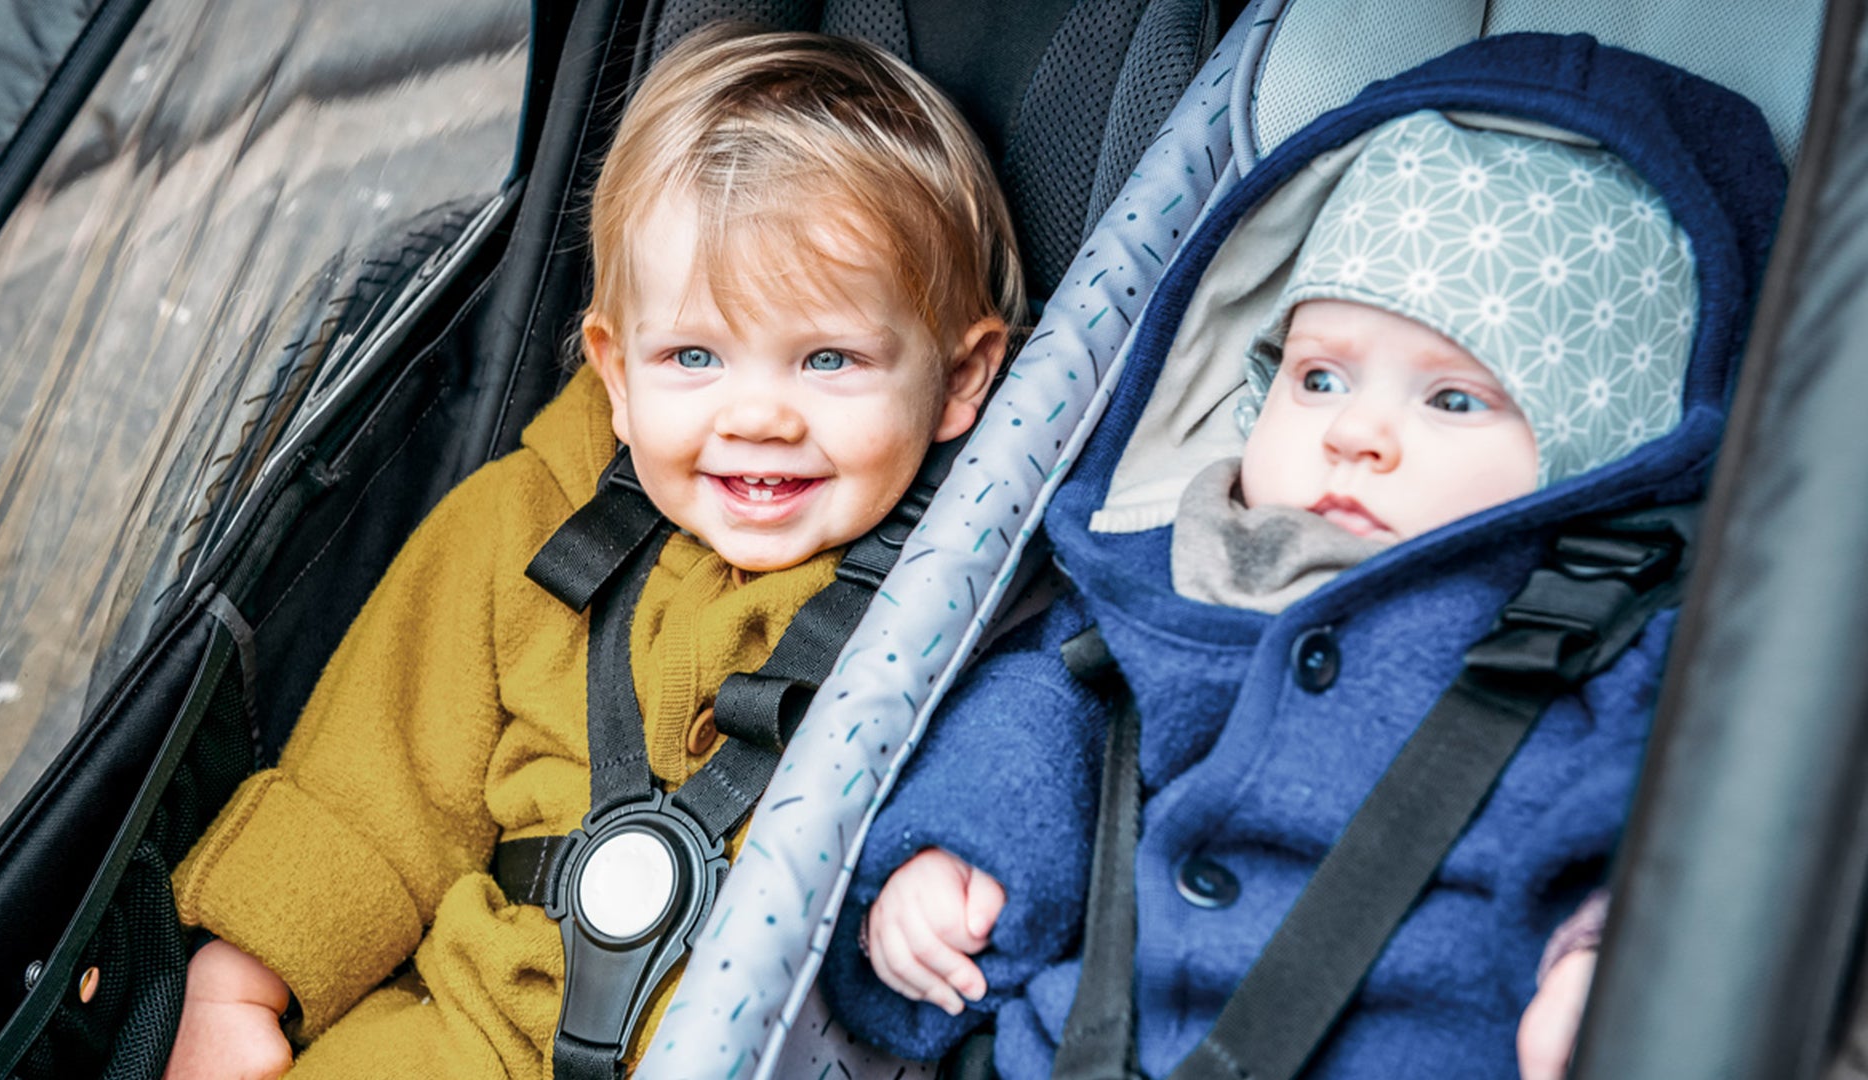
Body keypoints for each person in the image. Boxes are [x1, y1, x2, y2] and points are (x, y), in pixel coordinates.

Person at [820, 33, 1786, 1080]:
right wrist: (952, 859)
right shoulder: (1184, 565)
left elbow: (1682, 816)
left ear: (1607, 455)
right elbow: (1050, 714)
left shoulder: (1620, 639)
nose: (1353, 435)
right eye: (1321, 379)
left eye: (1454, 399)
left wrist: (1610, 956)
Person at [162, 27, 1021, 1080]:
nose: (756, 417)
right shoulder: (530, 523)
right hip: (470, 1026)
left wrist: (943, 865)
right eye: (693, 356)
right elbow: (375, 774)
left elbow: (1010, 757)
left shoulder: (968, 578)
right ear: (615, 373)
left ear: (963, 375)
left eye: (829, 358)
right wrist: (243, 976)